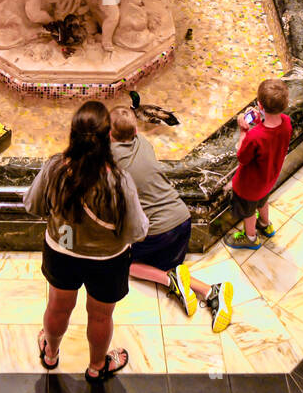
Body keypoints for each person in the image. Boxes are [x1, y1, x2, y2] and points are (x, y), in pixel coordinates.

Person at [25, 101, 148, 381]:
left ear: (72, 134)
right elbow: (137, 231)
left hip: (62, 251)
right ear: (108, 138)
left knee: (58, 306)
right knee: (101, 317)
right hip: (108, 260)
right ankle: (96, 367)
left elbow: (32, 204)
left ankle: (51, 353)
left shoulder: (56, 167)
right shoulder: (119, 180)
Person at [110, 106, 234, 333]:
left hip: (159, 231)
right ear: (136, 129)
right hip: (182, 220)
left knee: (121, 262)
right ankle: (210, 292)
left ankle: (172, 282)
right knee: (167, 267)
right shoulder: (145, 145)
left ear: (109, 133)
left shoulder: (110, 160)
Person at [223, 79, 293, 250]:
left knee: (248, 212)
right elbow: (271, 136)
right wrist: (260, 120)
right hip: (268, 180)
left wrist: (243, 131)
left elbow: (242, 157)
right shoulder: (286, 122)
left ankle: (251, 237)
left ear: (259, 105)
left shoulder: (254, 136)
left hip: (248, 186)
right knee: (262, 202)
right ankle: (266, 224)